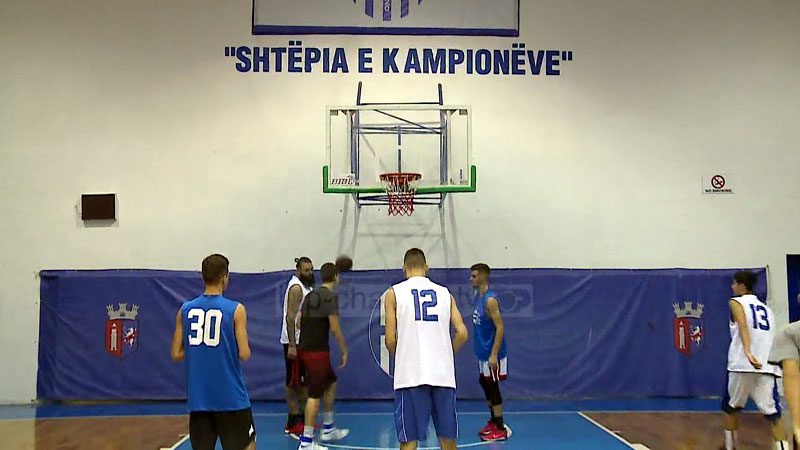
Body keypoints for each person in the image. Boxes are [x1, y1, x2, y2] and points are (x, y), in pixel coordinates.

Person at [384, 248, 469, 450]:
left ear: (404, 268)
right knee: (448, 440)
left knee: (409, 441)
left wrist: (402, 357)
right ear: (427, 267)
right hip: (442, 375)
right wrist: (446, 354)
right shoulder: (445, 293)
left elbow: (389, 339)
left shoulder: (394, 293)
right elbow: (462, 333)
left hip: (410, 375)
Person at [171, 254, 256, 450]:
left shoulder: (185, 309)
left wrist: (200, 351)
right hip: (231, 399)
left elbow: (176, 353)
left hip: (199, 399)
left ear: (203, 277)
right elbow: (244, 353)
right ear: (224, 277)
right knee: (247, 445)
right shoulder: (236, 309)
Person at [721, 270, 788, 450]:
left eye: (734, 283)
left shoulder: (736, 302)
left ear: (742, 286)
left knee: (731, 408)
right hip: (766, 366)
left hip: (742, 364)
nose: (732, 287)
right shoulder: (767, 310)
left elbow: (743, 324)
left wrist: (748, 351)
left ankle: (730, 447)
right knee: (774, 414)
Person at [297, 263, 350, 450]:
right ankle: (306, 442)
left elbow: (298, 322)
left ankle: (328, 427)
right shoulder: (329, 297)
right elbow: (334, 327)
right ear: (335, 277)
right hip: (316, 352)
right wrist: (344, 350)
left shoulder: (310, 295)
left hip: (305, 349)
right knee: (314, 394)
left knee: (331, 381)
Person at [469, 263, 509, 441]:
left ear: (483, 277)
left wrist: (494, 354)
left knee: (493, 388)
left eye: (474, 276)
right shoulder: (479, 297)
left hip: (492, 354)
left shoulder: (490, 300)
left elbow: (500, 327)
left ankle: (500, 428)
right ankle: (493, 420)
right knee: (485, 384)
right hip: (482, 353)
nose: (471, 279)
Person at [281, 257, 314, 437]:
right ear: (298, 271)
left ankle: (301, 417)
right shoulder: (296, 288)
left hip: (304, 341)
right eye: (306, 270)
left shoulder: (306, 286)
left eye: (311, 269)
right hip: (295, 343)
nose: (310, 273)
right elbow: (290, 317)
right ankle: (293, 420)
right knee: (294, 382)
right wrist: (292, 345)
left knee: (303, 381)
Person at [768, 293, 800, 447]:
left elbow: (792, 376)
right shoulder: (790, 333)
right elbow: (792, 375)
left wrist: (798, 425)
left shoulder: (789, 332)